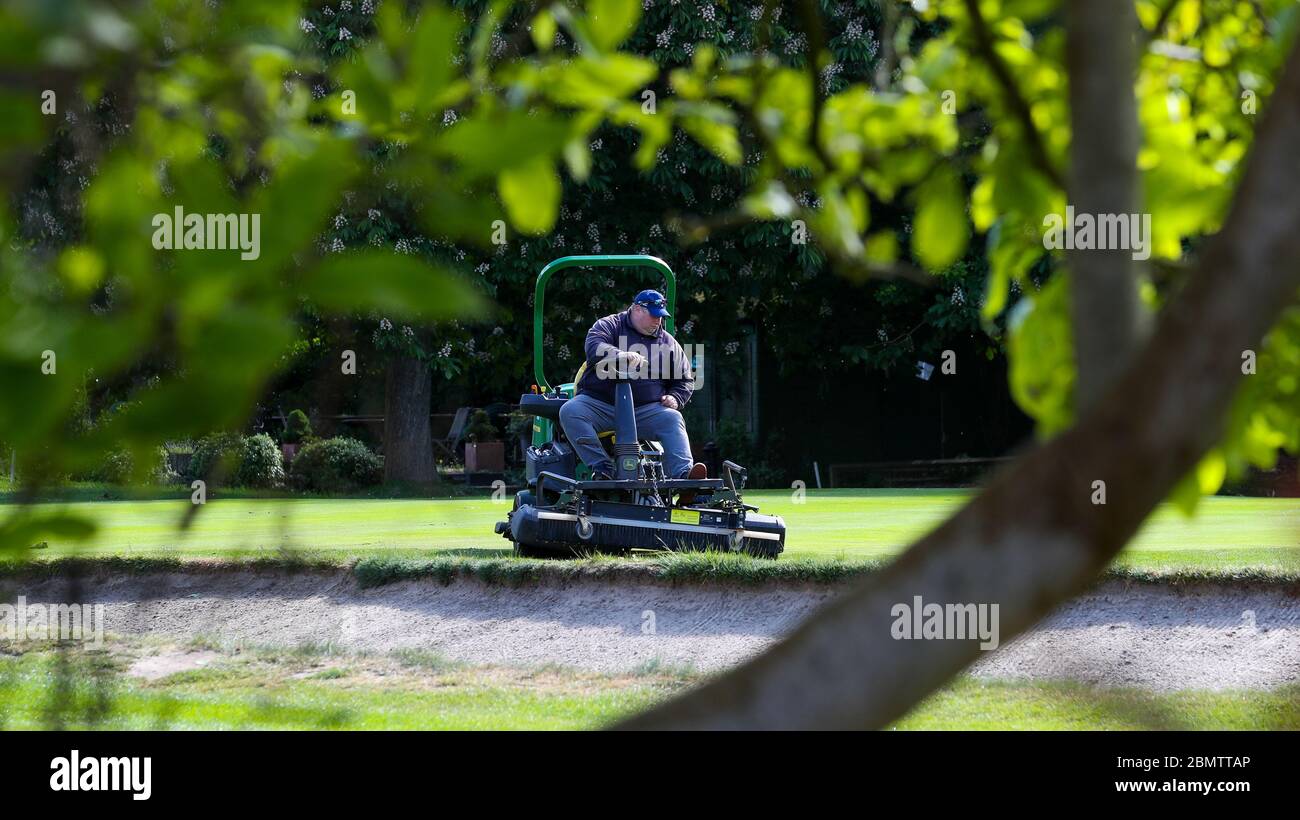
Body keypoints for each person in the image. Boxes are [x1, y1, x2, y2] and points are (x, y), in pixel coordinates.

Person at [558, 289, 707, 482]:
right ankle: (602, 468)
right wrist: (619, 355)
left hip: (644, 411)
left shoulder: (668, 343)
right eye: (654, 315)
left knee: (672, 419)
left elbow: (685, 380)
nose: (658, 321)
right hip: (600, 406)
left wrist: (676, 397)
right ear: (637, 309)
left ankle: (684, 476)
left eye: (661, 317)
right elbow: (594, 346)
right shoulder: (609, 325)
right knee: (570, 411)